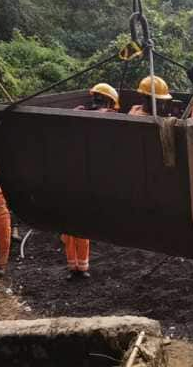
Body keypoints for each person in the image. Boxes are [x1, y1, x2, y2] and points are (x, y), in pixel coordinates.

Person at [61, 84, 119, 279]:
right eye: (97, 98)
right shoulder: (83, 111)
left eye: (100, 98)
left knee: (83, 232)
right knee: (70, 234)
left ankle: (82, 267)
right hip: (78, 174)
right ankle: (72, 268)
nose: (97, 101)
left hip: (86, 174)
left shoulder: (106, 113)